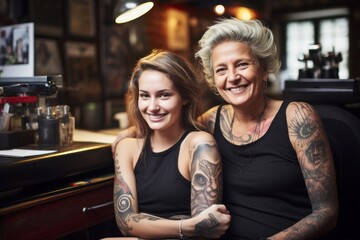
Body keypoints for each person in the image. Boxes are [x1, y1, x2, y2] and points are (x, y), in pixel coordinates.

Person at [112, 18, 338, 240]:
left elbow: (326, 212)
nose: (232, 77)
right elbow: (169, 122)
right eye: (221, 70)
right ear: (214, 80)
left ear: (264, 69)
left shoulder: (297, 117)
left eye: (242, 64)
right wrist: (128, 133)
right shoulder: (213, 120)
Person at [108, 49, 230, 240]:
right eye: (145, 95)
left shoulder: (200, 145)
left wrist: (143, 224)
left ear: (185, 97)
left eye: (164, 95)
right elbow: (126, 223)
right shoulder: (127, 148)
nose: (152, 107)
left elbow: (204, 233)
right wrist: (186, 225)